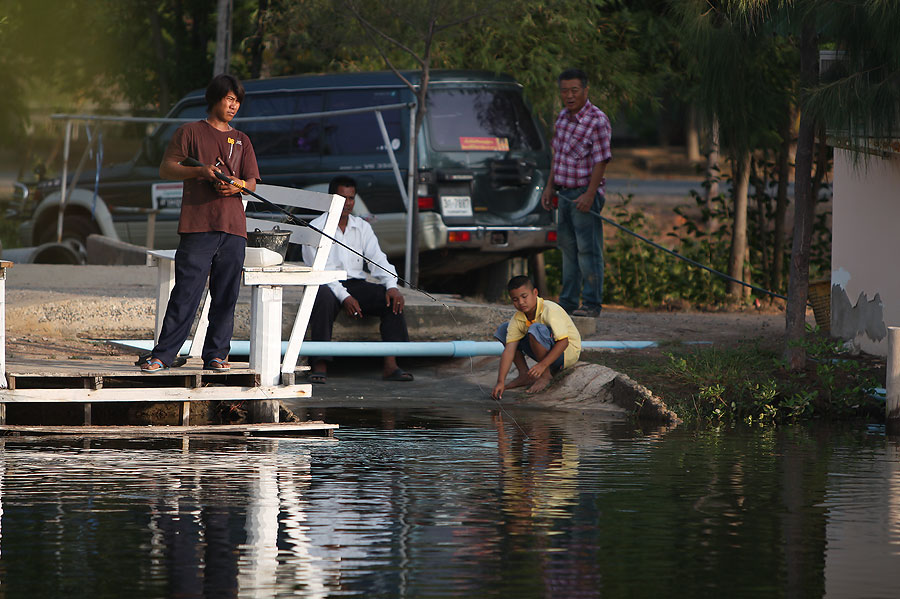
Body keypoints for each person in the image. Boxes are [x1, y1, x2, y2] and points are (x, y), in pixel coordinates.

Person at [140, 74, 260, 373]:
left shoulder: (242, 139)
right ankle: (163, 355)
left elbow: (253, 182)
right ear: (215, 99)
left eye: (237, 101)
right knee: (186, 292)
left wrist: (237, 186)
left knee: (226, 295)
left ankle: (217, 355)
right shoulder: (189, 131)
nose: (233, 106)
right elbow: (167, 169)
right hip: (198, 225)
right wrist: (201, 173)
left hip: (234, 228)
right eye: (229, 99)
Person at [303, 175, 413, 384]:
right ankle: (319, 363)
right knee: (322, 297)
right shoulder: (315, 227)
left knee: (389, 298)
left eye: (351, 198)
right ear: (331, 198)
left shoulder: (362, 227)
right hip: (325, 283)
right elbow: (320, 271)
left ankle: (391, 363)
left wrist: (392, 285)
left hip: (355, 283)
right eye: (342, 197)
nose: (347, 203)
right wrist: (345, 297)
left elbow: (378, 259)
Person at [540, 68, 612, 318]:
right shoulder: (561, 118)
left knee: (588, 249)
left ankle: (592, 303)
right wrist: (550, 186)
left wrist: (590, 195)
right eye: (564, 91)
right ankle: (568, 302)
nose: (569, 96)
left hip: (585, 194)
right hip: (564, 194)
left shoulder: (597, 120)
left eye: (574, 90)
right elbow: (556, 156)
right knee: (568, 249)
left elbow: (601, 161)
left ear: (585, 90)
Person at [491, 275, 582, 399]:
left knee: (535, 329)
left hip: (565, 354)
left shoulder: (550, 309)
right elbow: (509, 350)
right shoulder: (518, 318)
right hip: (547, 352)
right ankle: (524, 375)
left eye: (524, 297)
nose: (521, 302)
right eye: (515, 299)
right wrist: (500, 382)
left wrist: (542, 365)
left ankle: (545, 376)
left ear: (535, 293)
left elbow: (564, 342)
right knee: (504, 330)